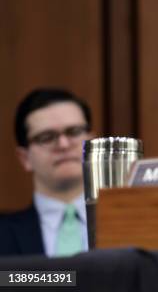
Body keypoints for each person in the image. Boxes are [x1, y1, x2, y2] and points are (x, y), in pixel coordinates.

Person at [0, 88, 92, 256]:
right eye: (47, 137)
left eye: (74, 132)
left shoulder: (131, 224)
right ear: (24, 157)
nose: (64, 145)